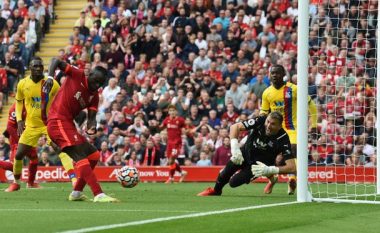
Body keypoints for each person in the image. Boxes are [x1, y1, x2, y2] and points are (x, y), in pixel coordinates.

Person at [44, 57, 119, 202]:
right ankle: (98, 194)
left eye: (100, 83)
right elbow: (55, 60)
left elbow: (91, 118)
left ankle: (76, 192)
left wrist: (92, 127)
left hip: (68, 125)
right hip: (57, 121)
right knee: (80, 157)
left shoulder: (94, 97)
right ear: (89, 74)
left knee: (94, 156)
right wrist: (50, 78)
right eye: (95, 80)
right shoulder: (77, 74)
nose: (96, 85)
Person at [5, 57, 76, 192]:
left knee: (60, 149)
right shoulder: (22, 84)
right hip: (31, 125)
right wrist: (19, 120)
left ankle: (74, 180)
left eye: (40, 66)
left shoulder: (52, 84)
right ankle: (16, 182)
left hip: (49, 124)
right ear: (30, 68)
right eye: (35, 66)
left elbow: (60, 101)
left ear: (43, 69)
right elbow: (19, 101)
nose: (38, 69)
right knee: (19, 155)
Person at [197, 112, 296, 196]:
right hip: (244, 153)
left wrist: (269, 169)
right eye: (268, 122)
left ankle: (271, 175)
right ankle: (216, 191)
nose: (268, 126)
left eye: (273, 124)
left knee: (233, 183)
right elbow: (235, 127)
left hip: (258, 166)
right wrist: (235, 149)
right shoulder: (261, 120)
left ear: (280, 126)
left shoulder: (283, 139)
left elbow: (292, 167)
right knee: (225, 172)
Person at [260, 64, 317, 195]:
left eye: (277, 73)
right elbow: (263, 112)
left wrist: (313, 125)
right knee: (271, 158)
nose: (274, 75)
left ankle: (292, 179)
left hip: (293, 128)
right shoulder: (267, 93)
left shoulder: (294, 89)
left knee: (292, 151)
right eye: (272, 73)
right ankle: (272, 179)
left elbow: (312, 106)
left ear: (283, 74)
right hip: (275, 130)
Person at [159, 105, 187, 183]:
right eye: (170, 111)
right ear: (168, 112)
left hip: (177, 143)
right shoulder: (167, 120)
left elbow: (186, 128)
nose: (172, 112)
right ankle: (182, 172)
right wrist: (156, 125)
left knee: (171, 160)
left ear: (176, 112)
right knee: (171, 161)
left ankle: (171, 178)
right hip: (169, 143)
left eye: (173, 110)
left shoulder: (180, 120)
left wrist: (186, 131)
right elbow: (161, 126)